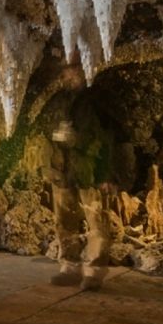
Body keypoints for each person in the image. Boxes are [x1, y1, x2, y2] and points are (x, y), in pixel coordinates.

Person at [46, 96, 113, 291]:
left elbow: (103, 139)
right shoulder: (57, 102)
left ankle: (94, 272)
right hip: (64, 174)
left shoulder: (95, 103)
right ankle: (70, 267)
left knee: (96, 222)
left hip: (88, 172)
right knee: (64, 221)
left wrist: (77, 140)